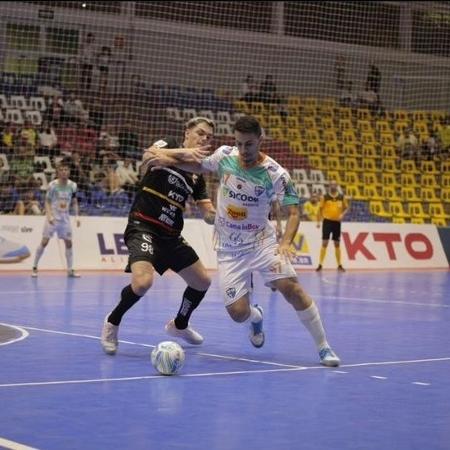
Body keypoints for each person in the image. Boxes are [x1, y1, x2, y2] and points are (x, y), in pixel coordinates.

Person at [146, 115, 340, 367]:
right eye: (239, 143)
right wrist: (166, 158)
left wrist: (285, 243)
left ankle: (323, 347)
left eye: (249, 144)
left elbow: (294, 212)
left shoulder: (276, 173)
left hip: (262, 243)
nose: (243, 150)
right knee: (238, 313)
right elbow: (198, 165)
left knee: (291, 288)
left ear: (260, 140)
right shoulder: (225, 156)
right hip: (229, 249)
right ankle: (255, 316)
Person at [100, 117, 216, 355]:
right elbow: (148, 156)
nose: (205, 139)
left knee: (202, 281)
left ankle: (180, 325)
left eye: (209, 137)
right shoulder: (169, 143)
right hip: (144, 226)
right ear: (187, 133)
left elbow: (207, 213)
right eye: (201, 133)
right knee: (142, 282)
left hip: (171, 236)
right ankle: (112, 321)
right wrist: (178, 154)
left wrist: (228, 214)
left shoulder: (197, 174)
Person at [31, 162, 81, 278]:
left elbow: (74, 202)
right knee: (44, 242)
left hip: (65, 219)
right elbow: (47, 202)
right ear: (58, 172)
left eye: (66, 170)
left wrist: (77, 216)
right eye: (62, 170)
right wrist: (49, 216)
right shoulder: (52, 185)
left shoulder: (73, 185)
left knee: (69, 243)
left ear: (69, 172)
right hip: (53, 218)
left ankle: (70, 270)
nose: (64, 172)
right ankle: (34, 267)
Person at [316, 180, 349, 272]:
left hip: (337, 223)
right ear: (329, 186)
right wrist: (318, 221)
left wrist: (342, 214)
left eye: (335, 184)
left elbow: (347, 208)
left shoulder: (341, 197)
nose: (333, 186)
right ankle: (320, 264)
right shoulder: (325, 197)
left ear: (337, 186)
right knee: (325, 242)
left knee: (337, 244)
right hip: (327, 221)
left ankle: (339, 265)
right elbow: (320, 209)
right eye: (331, 185)